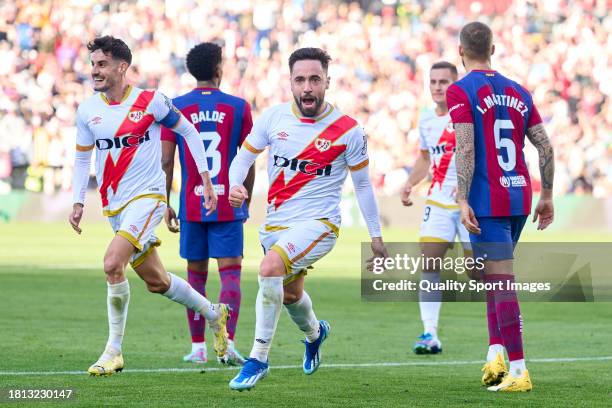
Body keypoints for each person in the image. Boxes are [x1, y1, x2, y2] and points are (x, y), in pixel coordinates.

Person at [226, 47, 388, 391]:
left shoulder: (348, 130)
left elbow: (362, 185)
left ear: (327, 81)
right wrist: (235, 185)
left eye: (315, 79)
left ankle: (258, 359)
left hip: (320, 224)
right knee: (288, 293)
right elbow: (241, 159)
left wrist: (375, 236)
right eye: (300, 79)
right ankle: (316, 334)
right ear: (290, 82)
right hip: (275, 225)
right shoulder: (273, 118)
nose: (308, 87)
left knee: (270, 268)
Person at [68, 36, 230, 376]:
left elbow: (189, 132)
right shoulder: (88, 111)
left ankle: (113, 351)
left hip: (149, 198)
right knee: (157, 281)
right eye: (93, 64)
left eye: (102, 64)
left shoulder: (151, 101)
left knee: (113, 264)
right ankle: (215, 314)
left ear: (121, 67)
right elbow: (83, 159)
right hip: (116, 207)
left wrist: (205, 178)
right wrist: (79, 199)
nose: (94, 71)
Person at [447, 22, 555, 392]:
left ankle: (520, 371)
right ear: (493, 49)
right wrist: (548, 195)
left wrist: (462, 198)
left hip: (486, 201)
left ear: (460, 51)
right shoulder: (519, 91)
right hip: (519, 198)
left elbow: (465, 146)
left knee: (501, 280)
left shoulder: (460, 90)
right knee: (491, 276)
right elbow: (545, 147)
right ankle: (496, 355)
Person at [161, 42, 255, 366]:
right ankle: (227, 345)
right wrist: (247, 197)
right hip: (228, 203)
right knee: (230, 276)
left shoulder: (175, 106)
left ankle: (198, 347)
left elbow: (166, 162)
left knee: (195, 278)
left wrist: (166, 202)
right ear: (219, 69)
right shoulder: (239, 107)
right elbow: (248, 158)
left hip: (190, 204)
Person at [400, 61, 473, 355]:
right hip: (439, 199)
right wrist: (410, 183)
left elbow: (479, 154)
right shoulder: (427, 120)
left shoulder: (467, 117)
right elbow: (425, 158)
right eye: (433, 82)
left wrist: (468, 185)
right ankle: (429, 333)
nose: (438, 87)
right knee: (429, 261)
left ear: (455, 85)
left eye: (444, 81)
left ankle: (502, 326)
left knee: (477, 271)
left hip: (469, 202)